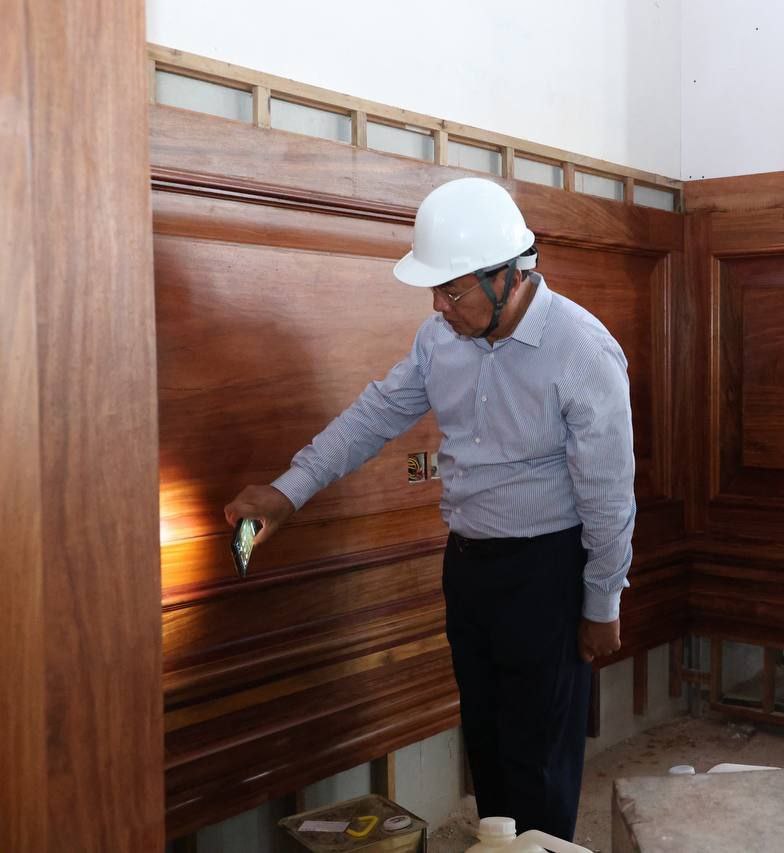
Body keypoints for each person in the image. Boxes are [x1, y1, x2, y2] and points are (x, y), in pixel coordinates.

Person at [224, 177, 636, 839]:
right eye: (435, 290)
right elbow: (374, 416)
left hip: (547, 575)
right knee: (489, 746)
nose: (439, 306)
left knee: (539, 763)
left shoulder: (581, 350)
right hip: (468, 569)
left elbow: (609, 494)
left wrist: (602, 601)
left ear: (507, 275)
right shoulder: (438, 339)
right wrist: (289, 490)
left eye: (452, 290)